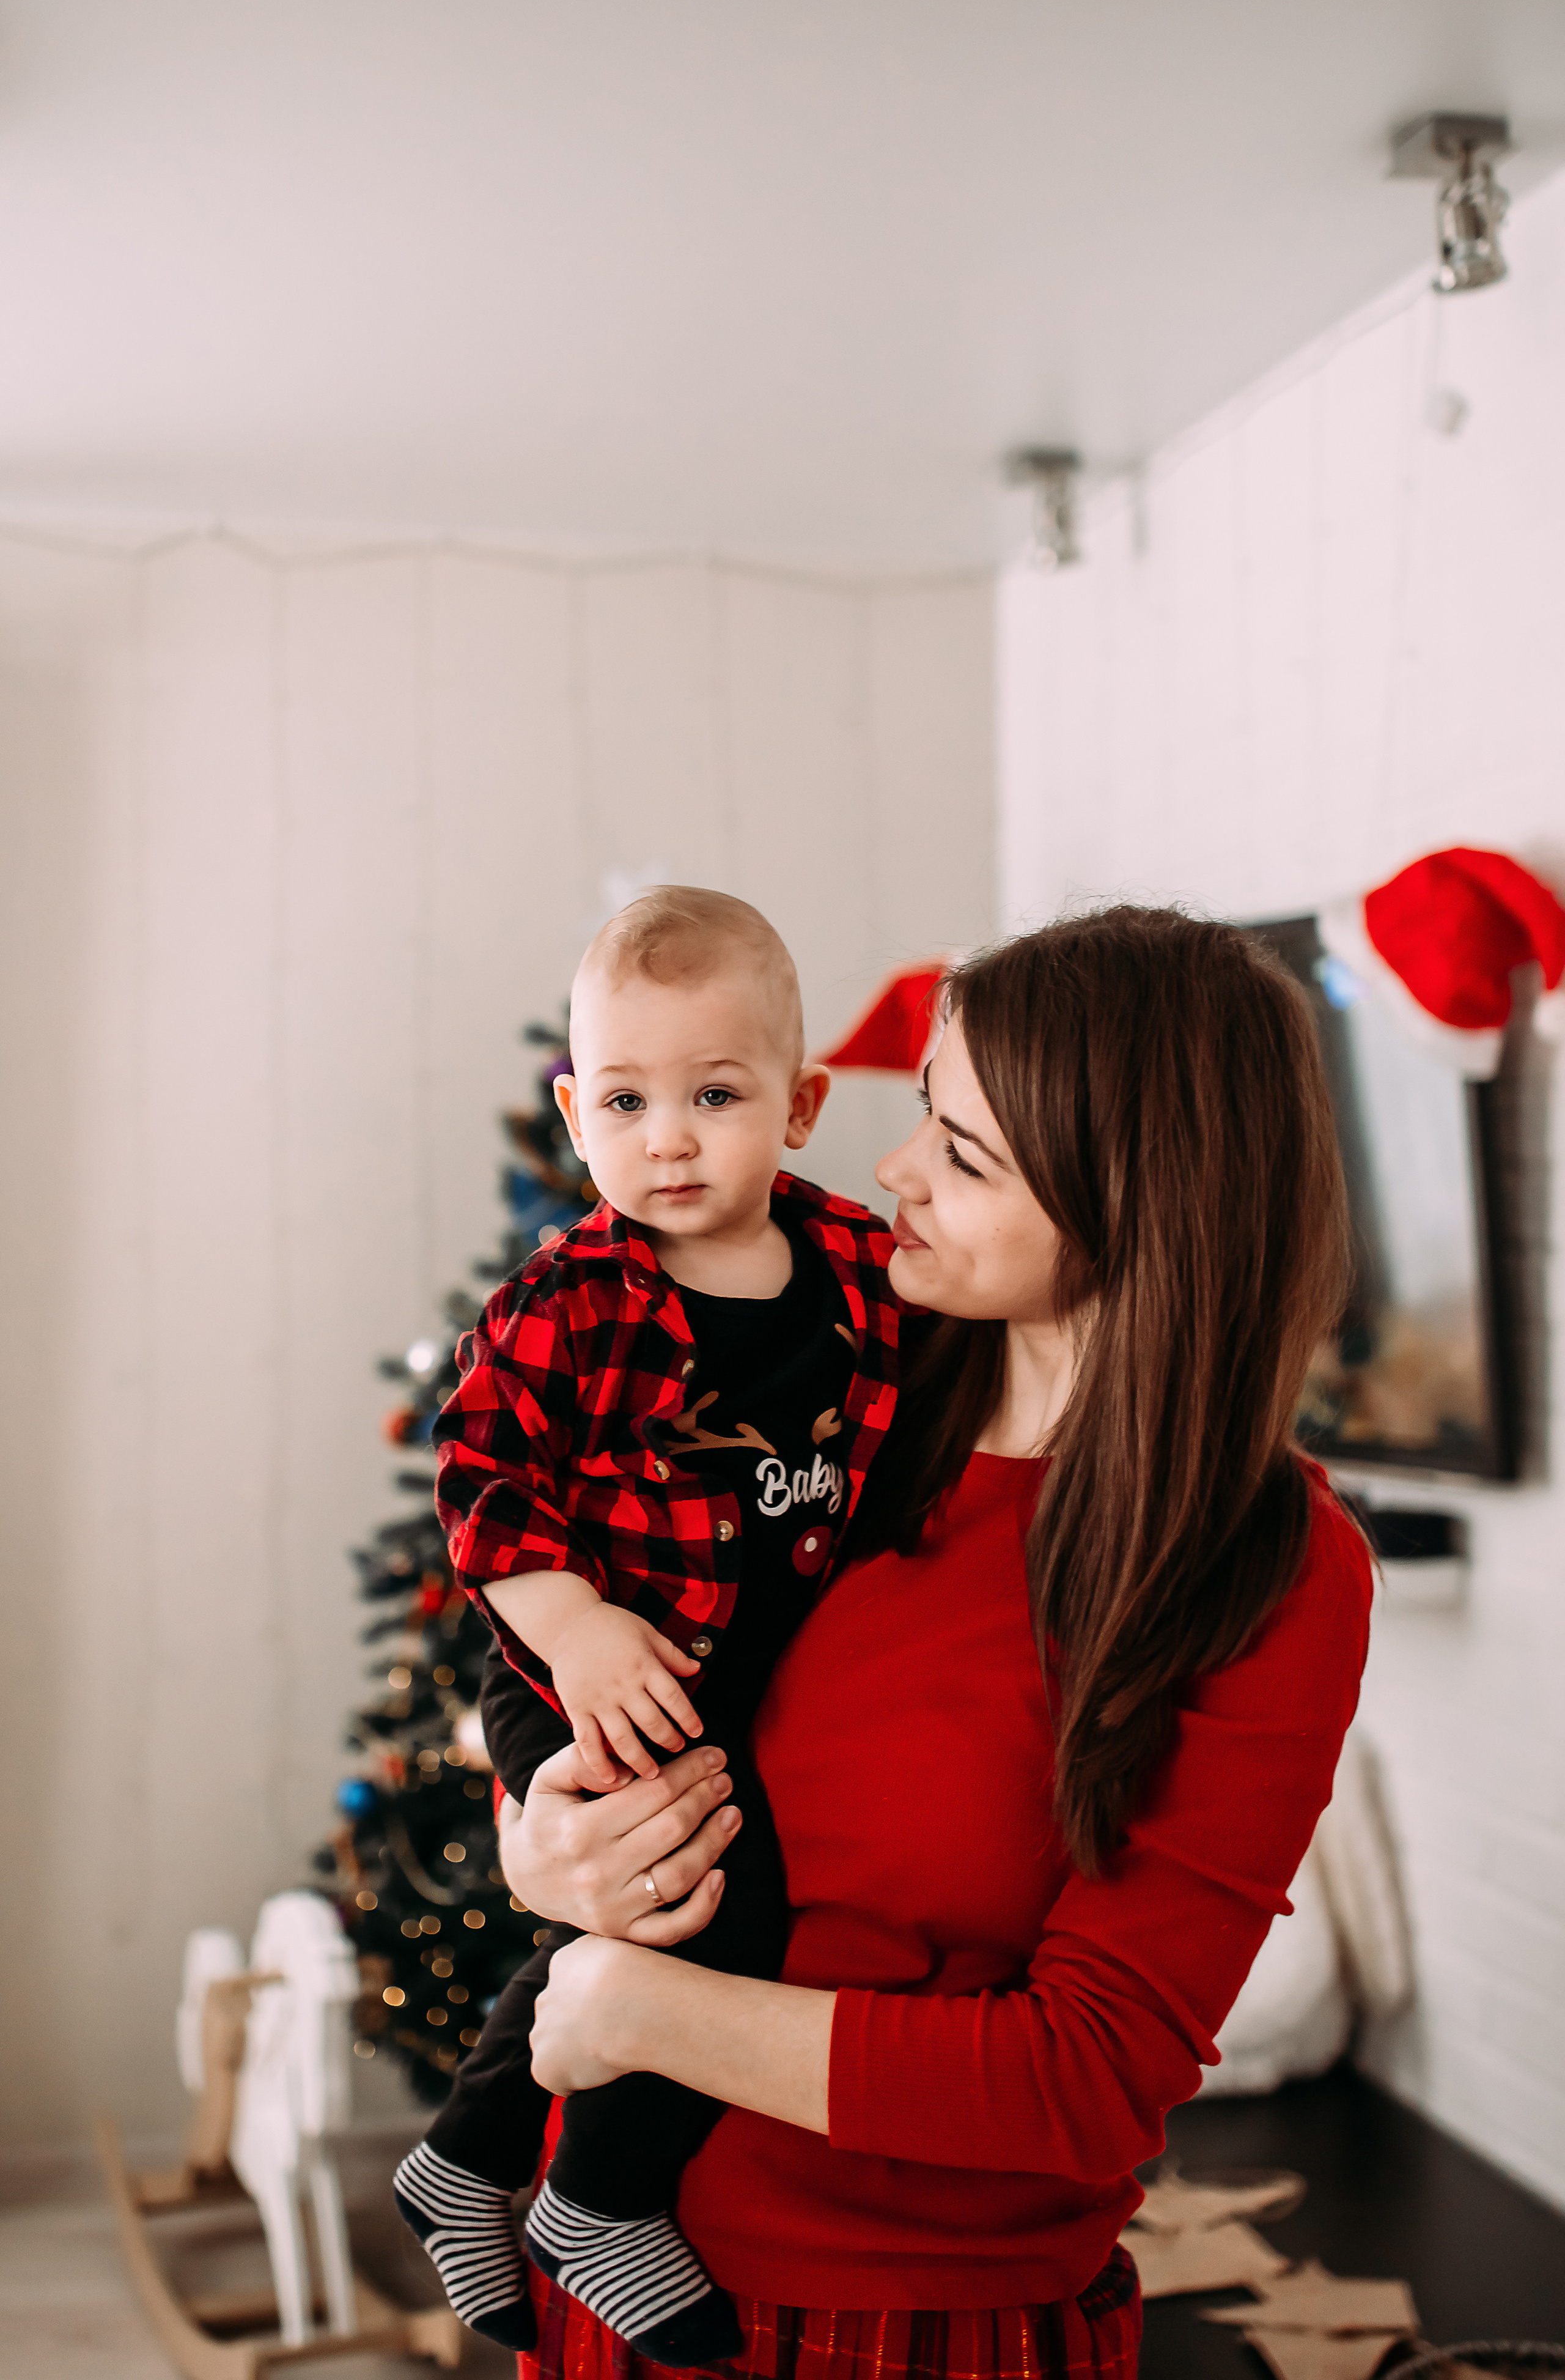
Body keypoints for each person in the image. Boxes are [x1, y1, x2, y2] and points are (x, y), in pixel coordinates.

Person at [497, 904, 1376, 2380]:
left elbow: (1085, 2079)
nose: (893, 1173)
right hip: (601, 2259)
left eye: (962, 1156)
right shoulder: (838, 1389)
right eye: (923, 1118)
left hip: (900, 2328)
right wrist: (537, 1828)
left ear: (1135, 1204)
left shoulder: (1263, 1566)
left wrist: (636, 2004)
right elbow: (579, 1627)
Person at [394, 887, 905, 2364]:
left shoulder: (862, 1275)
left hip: (725, 1675)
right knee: (707, 1909)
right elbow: (477, 1475)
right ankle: (603, 2196)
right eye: (623, 1099)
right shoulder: (571, 1300)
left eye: (714, 1094)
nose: (666, 1137)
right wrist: (572, 1627)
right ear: (573, 1111)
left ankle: (469, 2158)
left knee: (626, 1914)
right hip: (583, 1675)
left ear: (799, 1104)